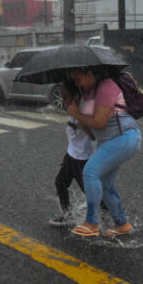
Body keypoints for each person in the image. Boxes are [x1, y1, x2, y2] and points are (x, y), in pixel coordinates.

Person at [66, 66, 141, 237]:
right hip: (108, 141)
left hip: (124, 138)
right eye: (74, 81)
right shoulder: (87, 94)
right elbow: (94, 132)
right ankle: (121, 224)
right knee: (105, 185)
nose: (77, 84)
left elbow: (99, 122)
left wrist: (78, 115)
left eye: (79, 79)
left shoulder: (107, 87)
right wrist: (84, 125)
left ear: (90, 74)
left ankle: (91, 222)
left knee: (90, 172)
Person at [49, 79, 96, 227]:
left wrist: (84, 125)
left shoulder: (85, 108)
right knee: (60, 183)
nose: (63, 102)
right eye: (62, 98)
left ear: (76, 96)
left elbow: (95, 135)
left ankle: (113, 215)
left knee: (91, 192)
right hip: (71, 155)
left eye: (66, 98)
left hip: (83, 159)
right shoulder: (72, 107)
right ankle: (67, 215)